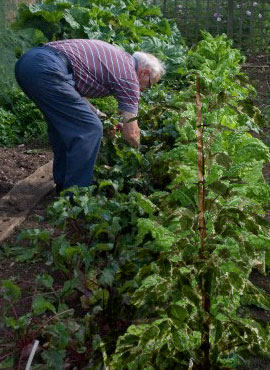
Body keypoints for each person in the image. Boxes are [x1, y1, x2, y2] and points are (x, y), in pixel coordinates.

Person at [14, 39, 165, 195]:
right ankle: (75, 196)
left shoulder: (119, 58)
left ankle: (63, 184)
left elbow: (73, 91)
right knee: (90, 129)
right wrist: (140, 158)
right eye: (149, 84)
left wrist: (99, 114)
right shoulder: (129, 77)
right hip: (48, 69)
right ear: (144, 72)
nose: (145, 90)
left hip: (29, 63)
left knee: (63, 126)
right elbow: (131, 132)